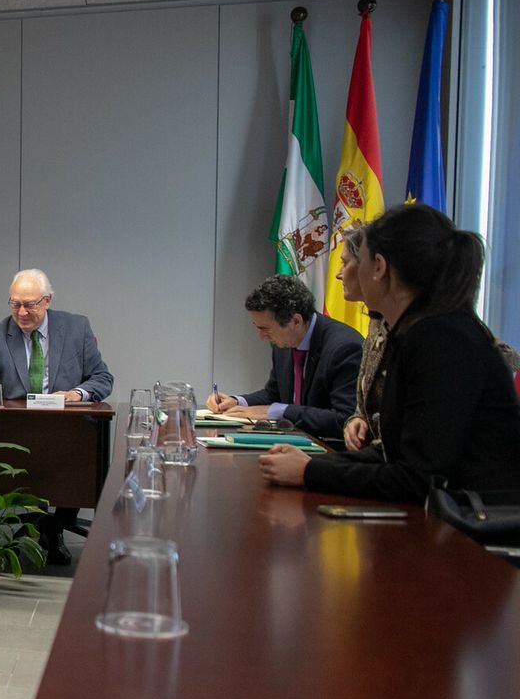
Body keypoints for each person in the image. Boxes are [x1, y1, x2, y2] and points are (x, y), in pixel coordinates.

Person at [260, 204, 520, 501]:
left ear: (379, 267)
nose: (345, 272)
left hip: (475, 533)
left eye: (359, 260)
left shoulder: (441, 339)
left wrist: (309, 473)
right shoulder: (415, 330)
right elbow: (391, 456)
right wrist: (312, 464)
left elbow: (416, 481)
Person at [0, 269, 113, 564]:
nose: (21, 312)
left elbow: (103, 379)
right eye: (15, 304)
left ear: (47, 301)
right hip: (16, 427)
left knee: (81, 462)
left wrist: (75, 394)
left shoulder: (76, 327)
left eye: (29, 304)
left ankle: (55, 527)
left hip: (65, 426)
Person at [204, 274, 362, 440]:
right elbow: (275, 394)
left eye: (266, 328)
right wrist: (237, 401)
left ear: (296, 321)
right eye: (257, 327)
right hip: (292, 444)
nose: (261, 337)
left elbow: (344, 420)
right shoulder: (284, 342)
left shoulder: (344, 348)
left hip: (330, 453)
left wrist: (280, 411)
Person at [335, 225, 388, 451]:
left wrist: (311, 468)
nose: (338, 274)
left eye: (345, 263)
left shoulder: (428, 335)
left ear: (377, 266)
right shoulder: (378, 322)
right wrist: (357, 421)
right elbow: (367, 407)